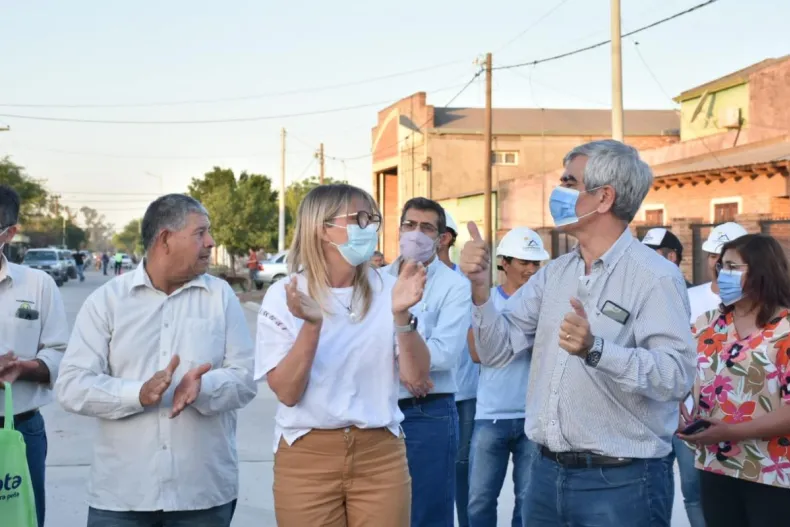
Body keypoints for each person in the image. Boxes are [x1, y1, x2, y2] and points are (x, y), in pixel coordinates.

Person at [461, 139, 696, 526]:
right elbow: (494, 351)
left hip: (622, 483)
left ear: (604, 198)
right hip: (544, 476)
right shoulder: (555, 274)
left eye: (569, 182)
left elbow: (675, 376)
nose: (558, 192)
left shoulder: (655, 277)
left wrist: (596, 349)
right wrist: (480, 290)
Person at [55, 194, 257, 527]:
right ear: (165, 239)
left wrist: (203, 387)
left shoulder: (220, 297)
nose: (211, 242)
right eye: (200, 233)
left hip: (201, 494)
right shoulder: (107, 302)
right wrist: (137, 394)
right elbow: (71, 386)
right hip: (122, 496)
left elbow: (246, 378)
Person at [255, 183, 431, 526]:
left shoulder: (389, 289)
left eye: (372, 219)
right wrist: (311, 326)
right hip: (307, 455)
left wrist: (401, 316)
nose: (369, 229)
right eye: (358, 219)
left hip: (380, 456)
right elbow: (287, 392)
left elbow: (418, 379)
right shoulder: (285, 294)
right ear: (322, 228)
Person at [678, 234, 790, 526]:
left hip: (773, 473)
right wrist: (677, 404)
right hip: (715, 465)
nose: (721, 274)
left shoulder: (785, 330)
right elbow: (680, 369)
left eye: (732, 267)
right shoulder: (707, 323)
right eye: (720, 266)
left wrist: (731, 432)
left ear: (763, 270)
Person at [383, 197, 471, 526]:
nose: (415, 233)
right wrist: (409, 363)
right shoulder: (376, 280)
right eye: (409, 225)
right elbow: (363, 343)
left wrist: (399, 355)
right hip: (378, 408)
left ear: (441, 238)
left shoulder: (454, 286)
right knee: (381, 512)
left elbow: (445, 352)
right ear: (399, 229)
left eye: (426, 228)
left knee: (426, 513)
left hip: (427, 411)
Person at [467, 227, 549, 527]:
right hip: (491, 416)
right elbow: (477, 353)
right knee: (479, 501)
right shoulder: (485, 300)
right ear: (504, 262)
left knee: (527, 503)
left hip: (532, 418)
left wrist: (507, 339)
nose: (531, 269)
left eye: (535, 263)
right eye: (523, 262)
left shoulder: (546, 304)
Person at [0, 184, 70, 527]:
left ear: (9, 233)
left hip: (21, 430)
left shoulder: (37, 285)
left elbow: (60, 353)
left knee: (22, 519)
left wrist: (22, 368)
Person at [641, 227, 706, 527]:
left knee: (694, 491)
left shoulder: (693, 298)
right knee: (653, 489)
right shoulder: (637, 297)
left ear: (672, 257)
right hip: (650, 411)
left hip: (688, 411)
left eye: (651, 255)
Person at [437, 211, 477, 527]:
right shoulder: (405, 280)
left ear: (446, 237)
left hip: (463, 392)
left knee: (462, 469)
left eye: (428, 229)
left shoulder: (465, 283)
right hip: (422, 394)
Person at [687, 222, 748, 319]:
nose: (719, 262)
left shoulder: (756, 303)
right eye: (713, 256)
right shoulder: (688, 298)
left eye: (728, 257)